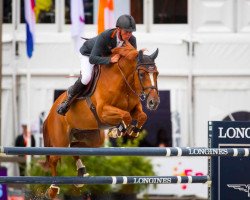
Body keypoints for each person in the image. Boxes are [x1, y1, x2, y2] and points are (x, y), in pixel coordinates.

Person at [57, 14, 137, 116]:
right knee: (86, 77)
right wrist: (110, 59)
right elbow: (92, 59)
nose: (129, 35)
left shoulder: (132, 40)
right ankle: (67, 101)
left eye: (131, 32)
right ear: (118, 29)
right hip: (88, 54)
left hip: (106, 57)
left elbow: (132, 60)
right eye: (126, 32)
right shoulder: (106, 36)